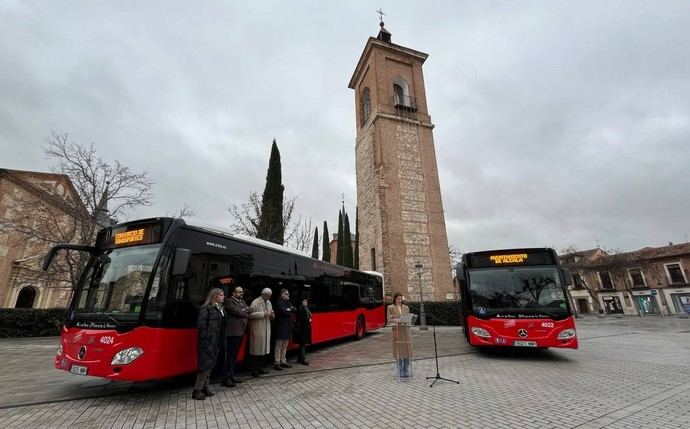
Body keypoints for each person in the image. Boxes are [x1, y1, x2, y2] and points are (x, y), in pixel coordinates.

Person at [193, 288, 226, 400]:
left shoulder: (220, 308)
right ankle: (197, 390)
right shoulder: (206, 308)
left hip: (217, 340)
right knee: (204, 366)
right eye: (221, 295)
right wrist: (207, 337)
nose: (223, 297)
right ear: (215, 296)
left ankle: (205, 387)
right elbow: (201, 326)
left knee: (210, 365)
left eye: (223, 295)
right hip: (208, 341)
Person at [222, 285, 254, 387]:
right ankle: (226, 378)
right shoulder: (229, 301)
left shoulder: (242, 301)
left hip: (241, 332)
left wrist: (244, 311)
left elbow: (249, 309)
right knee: (230, 355)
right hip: (233, 332)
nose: (241, 293)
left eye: (242, 292)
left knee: (235, 355)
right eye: (239, 292)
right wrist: (245, 311)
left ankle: (232, 374)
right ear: (233, 293)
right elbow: (237, 311)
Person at [248, 287, 274, 377]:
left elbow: (270, 314)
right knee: (256, 350)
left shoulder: (269, 302)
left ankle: (261, 368)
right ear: (262, 294)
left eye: (270, 296)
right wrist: (263, 314)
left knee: (264, 350)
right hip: (258, 328)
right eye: (267, 295)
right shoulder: (255, 302)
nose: (268, 297)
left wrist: (272, 315)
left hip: (266, 328)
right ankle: (254, 369)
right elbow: (250, 315)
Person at [387, 292, 413, 377]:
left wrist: (408, 320)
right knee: (398, 353)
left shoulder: (406, 307)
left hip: (405, 332)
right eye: (398, 298)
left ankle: (406, 370)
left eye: (401, 299)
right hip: (397, 332)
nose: (400, 300)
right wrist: (398, 320)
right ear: (395, 299)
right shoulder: (390, 307)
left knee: (407, 352)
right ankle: (400, 371)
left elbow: (409, 319)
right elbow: (389, 319)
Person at [273, 289, 296, 370]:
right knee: (278, 346)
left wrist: (289, 309)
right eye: (286, 294)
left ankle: (283, 361)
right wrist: (289, 310)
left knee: (285, 346)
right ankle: (277, 362)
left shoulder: (287, 302)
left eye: (288, 294)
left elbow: (294, 309)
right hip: (280, 327)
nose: (288, 295)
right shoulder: (279, 302)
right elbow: (284, 312)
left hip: (287, 327)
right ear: (281, 294)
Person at [294, 298, 312, 365]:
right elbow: (300, 318)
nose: (306, 302)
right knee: (302, 344)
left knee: (302, 344)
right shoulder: (300, 308)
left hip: (304, 328)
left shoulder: (306, 308)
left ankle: (299, 358)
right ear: (301, 302)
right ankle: (303, 359)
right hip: (301, 328)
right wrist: (308, 320)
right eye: (304, 301)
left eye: (306, 301)